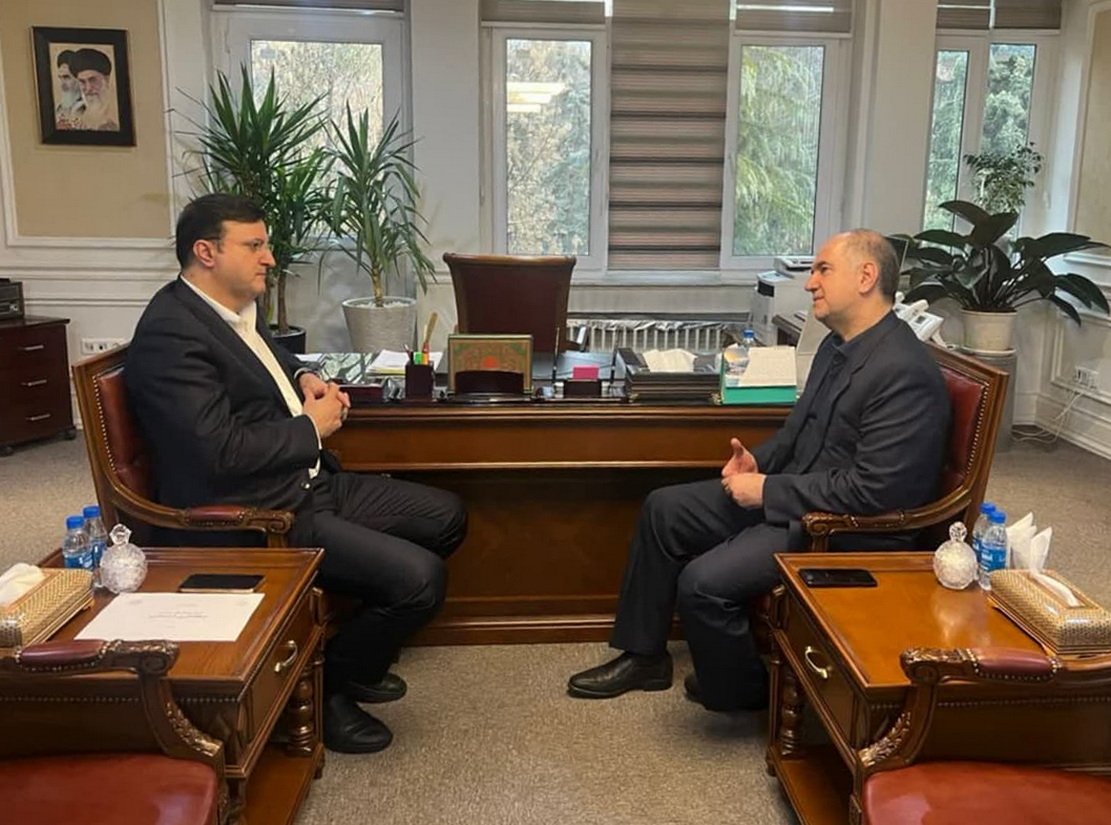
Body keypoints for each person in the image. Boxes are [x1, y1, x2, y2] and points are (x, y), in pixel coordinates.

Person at [126, 193, 467, 754]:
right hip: (261, 512)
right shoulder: (171, 334)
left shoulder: (229, 310)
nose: (269, 257)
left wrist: (303, 375)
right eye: (254, 245)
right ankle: (331, 691)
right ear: (206, 252)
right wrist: (311, 428)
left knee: (446, 516)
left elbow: (264, 361)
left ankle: (344, 654)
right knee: (421, 581)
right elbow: (217, 452)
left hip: (306, 483)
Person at [567, 229, 950, 712]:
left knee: (702, 584)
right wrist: (757, 464)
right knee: (664, 509)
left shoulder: (904, 371)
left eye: (823, 270)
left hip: (841, 530)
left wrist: (767, 491)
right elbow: (796, 434)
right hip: (796, 497)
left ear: (866, 277)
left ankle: (745, 693)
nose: (810, 282)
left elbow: (875, 491)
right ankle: (644, 657)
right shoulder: (838, 346)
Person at [69, 48, 118, 131]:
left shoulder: (117, 109)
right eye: (82, 82)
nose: (88, 88)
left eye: (93, 80)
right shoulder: (77, 111)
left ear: (106, 79)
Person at [53, 50, 85, 129]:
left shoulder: (90, 109)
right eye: (60, 78)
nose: (62, 85)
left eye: (66, 77)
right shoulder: (60, 109)